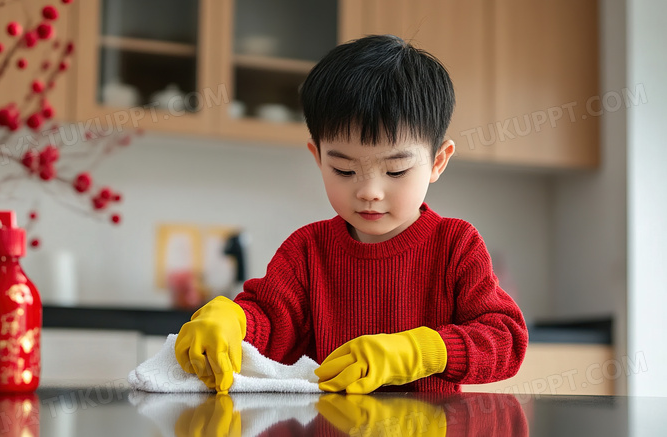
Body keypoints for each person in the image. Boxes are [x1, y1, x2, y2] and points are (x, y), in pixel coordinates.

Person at [175, 34, 528, 394]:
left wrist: (418, 352)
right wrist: (232, 319)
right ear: (318, 158)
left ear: (438, 161)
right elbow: (270, 325)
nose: (369, 192)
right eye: (344, 171)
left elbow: (505, 341)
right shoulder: (308, 251)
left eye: (395, 171)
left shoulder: (455, 245)